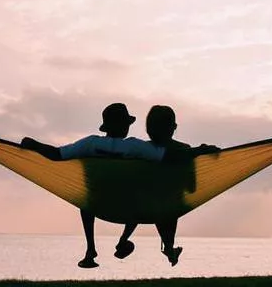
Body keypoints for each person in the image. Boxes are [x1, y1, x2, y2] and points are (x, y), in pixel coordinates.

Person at [21, 103, 217, 269]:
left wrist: (35, 144)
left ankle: (90, 249)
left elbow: (56, 154)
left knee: (85, 195)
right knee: (140, 189)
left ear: (105, 127)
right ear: (125, 126)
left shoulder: (90, 144)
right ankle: (134, 243)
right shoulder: (135, 147)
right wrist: (199, 150)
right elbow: (170, 156)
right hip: (129, 207)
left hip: (98, 205)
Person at [113, 105, 214, 266]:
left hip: (140, 205)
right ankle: (168, 246)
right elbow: (191, 187)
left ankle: (124, 239)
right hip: (167, 206)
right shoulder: (185, 151)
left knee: (143, 199)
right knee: (170, 201)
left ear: (148, 129)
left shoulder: (141, 150)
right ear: (173, 127)